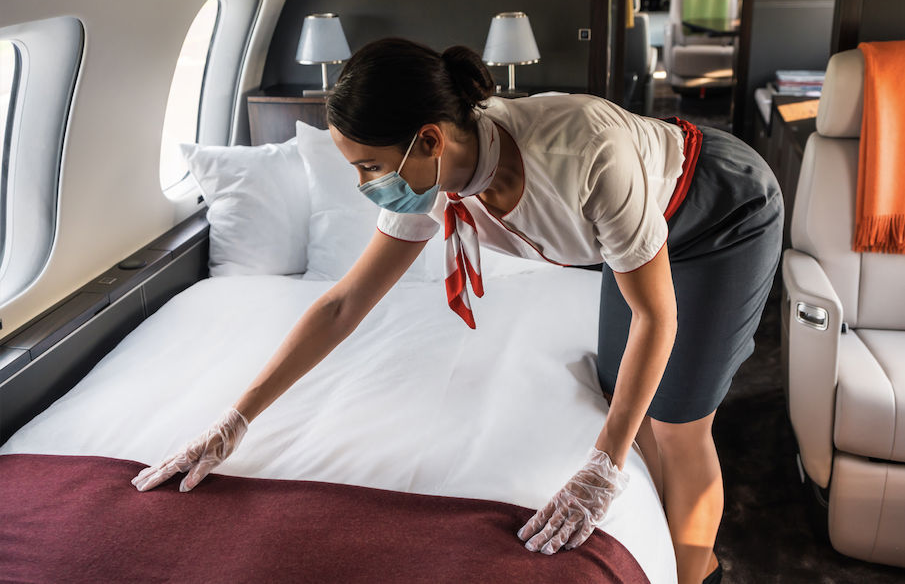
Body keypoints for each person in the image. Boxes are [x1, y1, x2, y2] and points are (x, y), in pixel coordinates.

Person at [131, 37, 782, 584]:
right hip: (634, 233)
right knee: (625, 398)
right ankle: (669, 545)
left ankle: (695, 573)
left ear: (428, 140)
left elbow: (655, 318)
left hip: (716, 211)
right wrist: (235, 420)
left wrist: (601, 469)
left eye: (369, 167)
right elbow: (343, 304)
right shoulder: (428, 177)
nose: (364, 186)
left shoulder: (584, 153)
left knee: (676, 423)